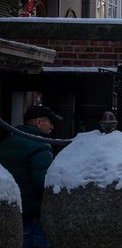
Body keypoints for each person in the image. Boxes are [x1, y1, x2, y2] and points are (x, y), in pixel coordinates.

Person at [0, 105, 61, 248]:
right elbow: (44, 183)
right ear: (38, 122)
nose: (52, 127)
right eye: (50, 122)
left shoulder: (5, 143)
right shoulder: (41, 146)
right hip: (34, 212)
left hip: (12, 209)